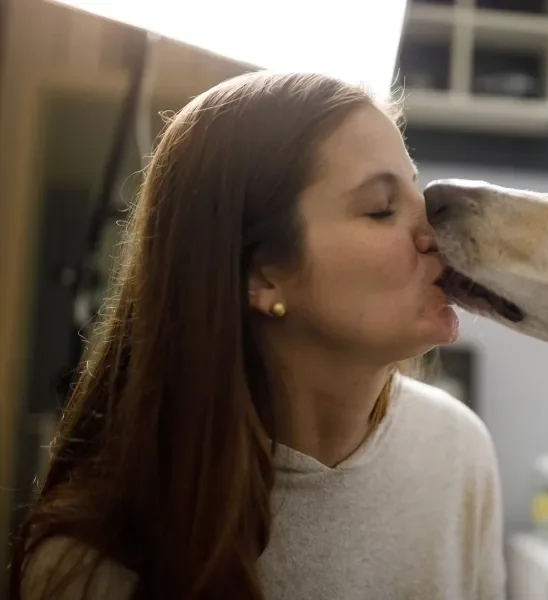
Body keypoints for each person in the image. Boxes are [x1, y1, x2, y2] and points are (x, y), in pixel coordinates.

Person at [9, 71, 506, 600]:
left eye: (417, 189)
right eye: (382, 208)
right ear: (262, 275)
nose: (436, 233)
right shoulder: (90, 568)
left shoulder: (459, 450)